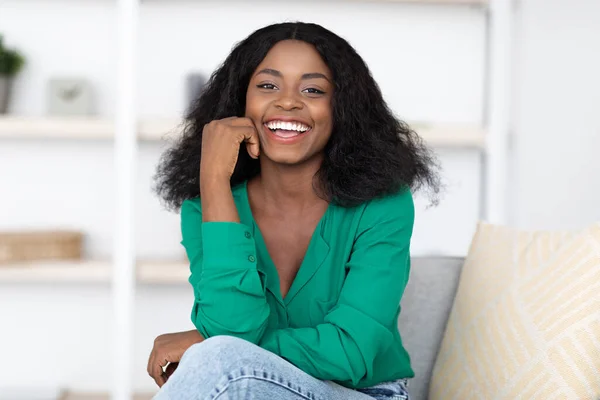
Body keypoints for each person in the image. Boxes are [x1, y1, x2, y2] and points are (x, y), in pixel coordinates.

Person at [149, 21, 439, 400]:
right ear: (241, 101)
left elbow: (351, 352)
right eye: (268, 85)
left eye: (313, 90)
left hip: (364, 394)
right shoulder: (206, 206)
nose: (287, 101)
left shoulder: (381, 204)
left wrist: (206, 346)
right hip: (249, 387)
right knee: (220, 358)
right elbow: (231, 327)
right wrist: (214, 180)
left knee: (218, 359)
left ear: (342, 108)